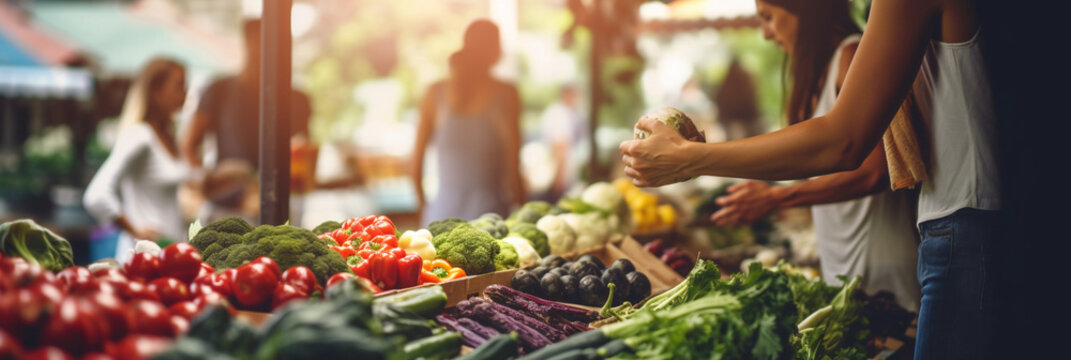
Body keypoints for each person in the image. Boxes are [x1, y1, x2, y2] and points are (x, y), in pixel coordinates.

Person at [620, 0, 999, 358]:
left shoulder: (855, 48)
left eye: (769, 16)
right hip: (952, 228)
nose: (765, 32)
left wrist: (692, 160)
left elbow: (844, 143)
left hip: (962, 230)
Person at [709, 0, 921, 312]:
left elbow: (876, 171)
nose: (766, 34)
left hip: (881, 268)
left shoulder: (851, 56)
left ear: (803, 10)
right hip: (845, 269)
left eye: (768, 18)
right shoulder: (817, 76)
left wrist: (778, 197)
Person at [180, 18, 313, 224]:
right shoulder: (218, 91)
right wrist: (209, 180)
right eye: (261, 40)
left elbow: (304, 152)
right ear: (247, 41)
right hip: (226, 210)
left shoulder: (298, 99)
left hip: (282, 208)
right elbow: (188, 146)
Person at [412, 19, 525, 227]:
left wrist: (425, 212)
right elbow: (514, 169)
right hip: (491, 220)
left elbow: (415, 164)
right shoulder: (507, 94)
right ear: (494, 51)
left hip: (441, 217)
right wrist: (523, 215)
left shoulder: (435, 93)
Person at [84, 57, 189, 262]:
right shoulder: (140, 136)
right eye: (179, 86)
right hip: (142, 262)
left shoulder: (168, 136)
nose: (185, 94)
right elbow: (96, 195)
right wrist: (135, 230)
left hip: (170, 257)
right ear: (155, 91)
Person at [540, 84, 586, 201]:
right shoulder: (559, 114)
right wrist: (559, 178)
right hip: (561, 176)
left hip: (564, 175)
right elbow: (560, 146)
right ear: (567, 95)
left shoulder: (567, 113)